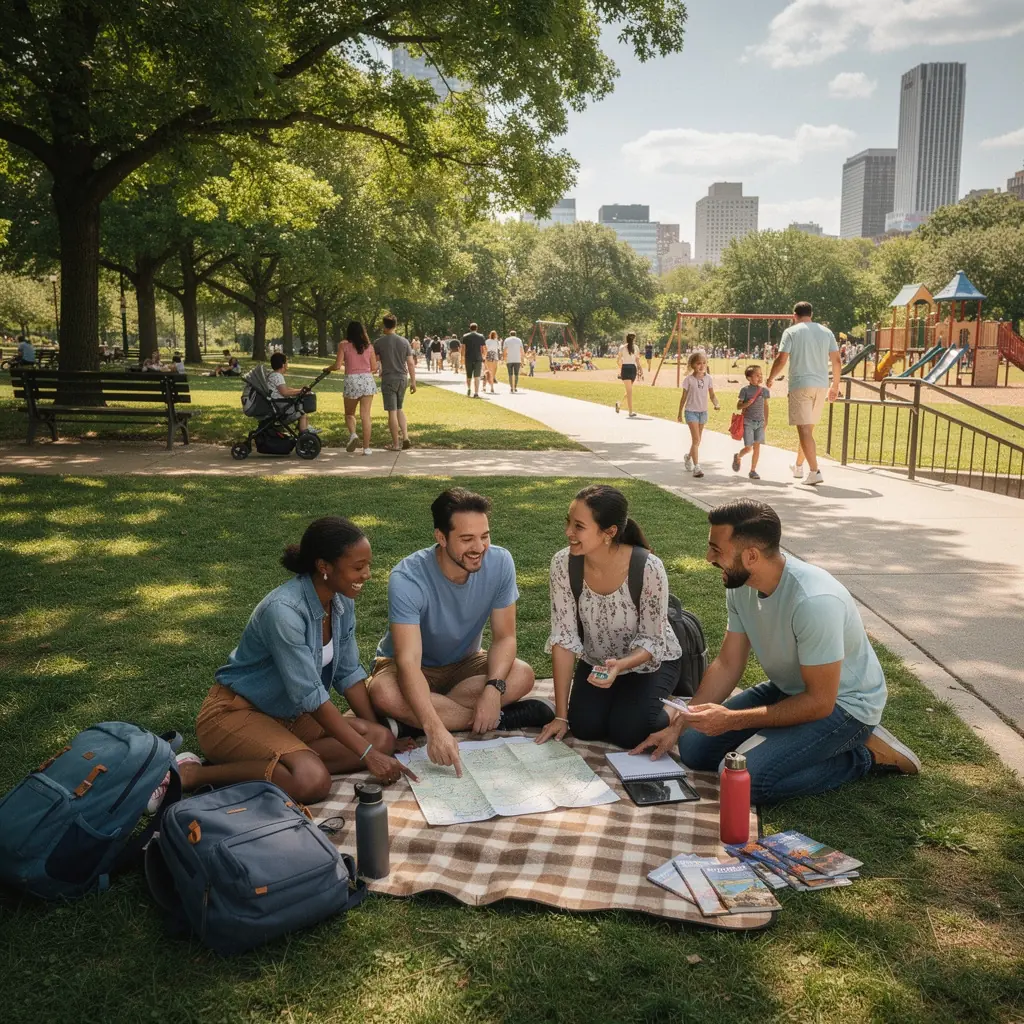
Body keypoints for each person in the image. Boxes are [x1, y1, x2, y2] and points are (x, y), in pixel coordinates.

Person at [632, 499, 920, 803]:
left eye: (716, 550)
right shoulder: (741, 584)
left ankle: (864, 755)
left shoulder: (814, 601)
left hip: (844, 705)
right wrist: (678, 726)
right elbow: (728, 664)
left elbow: (820, 702)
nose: (708, 558)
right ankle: (788, 742)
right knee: (692, 748)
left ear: (751, 556)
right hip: (791, 690)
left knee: (744, 781)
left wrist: (732, 719)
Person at [178, 517, 416, 804]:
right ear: (324, 566)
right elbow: (309, 695)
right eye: (358, 567)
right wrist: (367, 754)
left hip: (291, 717)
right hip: (236, 714)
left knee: (382, 739)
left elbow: (349, 673)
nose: (367, 574)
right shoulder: (283, 611)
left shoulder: (342, 601)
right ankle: (196, 774)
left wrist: (377, 746)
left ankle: (281, 762)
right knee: (312, 781)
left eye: (368, 565)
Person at [366, 487, 554, 775]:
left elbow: (505, 637)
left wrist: (493, 689)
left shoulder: (501, 562)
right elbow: (408, 662)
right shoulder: (406, 578)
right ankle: (500, 719)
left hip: (464, 663)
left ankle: (412, 722)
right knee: (383, 693)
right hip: (407, 667)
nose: (479, 547)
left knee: (522, 674)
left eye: (484, 536)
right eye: (467, 539)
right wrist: (434, 729)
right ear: (441, 538)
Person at [538, 485, 683, 751]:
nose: (568, 532)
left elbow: (653, 640)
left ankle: (675, 709)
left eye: (579, 526)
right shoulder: (562, 564)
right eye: (568, 522)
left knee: (629, 733)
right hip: (598, 660)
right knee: (584, 727)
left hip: (650, 660)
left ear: (609, 532)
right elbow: (564, 637)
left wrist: (622, 665)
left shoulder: (649, 567)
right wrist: (560, 716)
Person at [766, 301, 841, 487]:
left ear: (795, 315)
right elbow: (837, 361)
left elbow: (781, 358)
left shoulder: (791, 332)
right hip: (821, 385)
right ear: (811, 314)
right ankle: (798, 466)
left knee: (804, 430)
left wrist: (771, 377)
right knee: (808, 430)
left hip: (801, 384)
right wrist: (835, 386)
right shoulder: (827, 332)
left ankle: (814, 471)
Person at [331, 320, 378, 456]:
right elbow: (374, 367)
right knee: (365, 416)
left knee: (349, 414)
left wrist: (328, 368)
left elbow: (337, 365)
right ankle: (366, 448)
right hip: (367, 381)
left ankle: (353, 435)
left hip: (351, 381)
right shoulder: (369, 347)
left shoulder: (343, 345)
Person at [373, 313, 417, 452]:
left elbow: (376, 363)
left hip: (389, 378)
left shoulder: (378, 342)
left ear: (384, 326)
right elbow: (410, 363)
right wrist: (413, 382)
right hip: (403, 378)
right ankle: (405, 437)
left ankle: (396, 445)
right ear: (396, 325)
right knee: (399, 408)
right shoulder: (404, 342)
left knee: (392, 412)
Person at [677, 350, 720, 479]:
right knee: (696, 440)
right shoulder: (688, 380)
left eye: (704, 363)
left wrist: (716, 404)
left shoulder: (708, 379)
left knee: (698, 441)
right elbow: (683, 398)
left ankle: (688, 457)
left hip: (703, 413)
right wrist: (679, 413)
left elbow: (712, 395)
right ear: (693, 365)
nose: (702, 366)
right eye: (698, 363)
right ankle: (697, 467)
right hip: (691, 412)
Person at [732, 364, 770, 480]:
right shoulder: (745, 390)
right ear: (749, 378)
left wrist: (766, 421)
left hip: (760, 423)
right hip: (748, 422)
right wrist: (746, 404)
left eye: (761, 375)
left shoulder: (764, 391)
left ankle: (752, 471)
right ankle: (738, 456)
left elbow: (766, 406)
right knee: (748, 448)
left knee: (757, 447)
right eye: (757, 375)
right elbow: (738, 406)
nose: (760, 377)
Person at [267, 352, 315, 433]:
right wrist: (300, 391)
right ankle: (304, 434)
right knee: (302, 413)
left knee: (302, 410)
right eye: (287, 363)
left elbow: (284, 389)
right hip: (280, 406)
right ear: (283, 365)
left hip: (276, 404)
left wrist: (300, 390)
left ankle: (307, 428)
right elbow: (285, 392)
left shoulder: (272, 374)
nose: (287, 365)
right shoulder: (277, 376)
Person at [615, 332, 641, 418]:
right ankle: (630, 412)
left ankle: (619, 404)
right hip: (633, 369)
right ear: (634, 338)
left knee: (629, 391)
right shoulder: (636, 347)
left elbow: (618, 360)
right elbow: (637, 360)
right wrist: (640, 369)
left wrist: (621, 367)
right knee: (629, 391)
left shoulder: (622, 347)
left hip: (625, 368)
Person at [462, 322, 486, 398]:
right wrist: (484, 357)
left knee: (468, 375)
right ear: (477, 328)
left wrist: (462, 358)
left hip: (468, 358)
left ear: (470, 328)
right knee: (477, 376)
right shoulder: (481, 336)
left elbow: (463, 348)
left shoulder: (465, 336)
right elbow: (484, 349)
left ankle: (469, 388)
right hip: (478, 358)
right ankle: (476, 393)